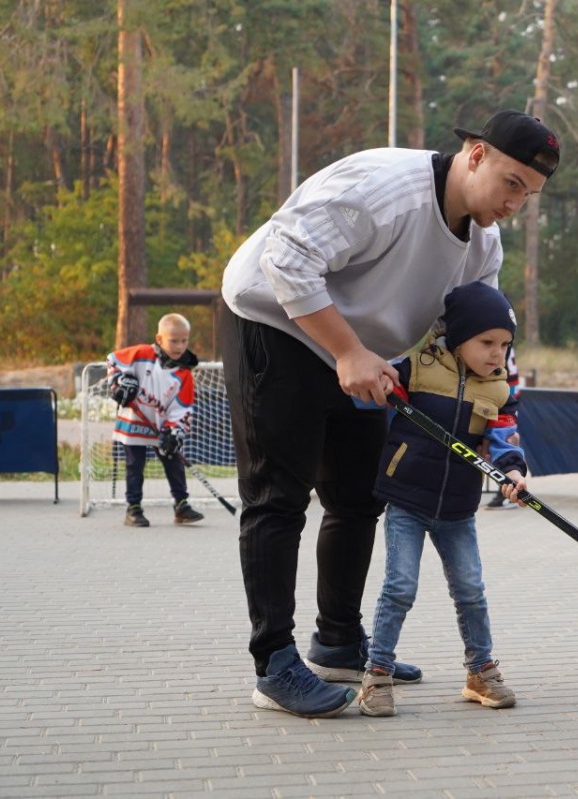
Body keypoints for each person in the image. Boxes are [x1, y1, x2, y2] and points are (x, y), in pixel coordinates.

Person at [219, 109, 560, 718]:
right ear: (476, 155)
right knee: (278, 496)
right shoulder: (385, 189)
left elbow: (463, 337)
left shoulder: (483, 242)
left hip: (370, 354)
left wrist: (485, 423)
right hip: (276, 325)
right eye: (512, 183)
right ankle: (274, 662)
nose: (516, 204)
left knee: (358, 497)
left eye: (529, 195)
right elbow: (286, 255)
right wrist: (346, 350)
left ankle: (340, 642)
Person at [358, 282, 527, 717]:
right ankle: (376, 675)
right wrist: (370, 381)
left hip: (457, 507)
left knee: (471, 590)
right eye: (487, 342)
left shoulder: (497, 390)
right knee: (399, 588)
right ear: (458, 335)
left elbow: (504, 441)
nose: (496, 353)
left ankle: (480, 672)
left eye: (505, 345)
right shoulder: (416, 367)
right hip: (407, 501)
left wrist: (513, 473)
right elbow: (365, 396)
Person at [106, 313, 205, 528]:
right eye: (174, 340)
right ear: (159, 339)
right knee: (134, 466)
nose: (180, 346)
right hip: (134, 423)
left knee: (174, 464)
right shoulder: (141, 354)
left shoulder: (184, 373)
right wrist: (120, 382)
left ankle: (182, 505)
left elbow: (182, 406)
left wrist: (174, 431)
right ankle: (133, 507)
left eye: (184, 340)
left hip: (161, 427)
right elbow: (113, 360)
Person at [485, 341, 521, 510]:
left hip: (505, 390)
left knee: (507, 439)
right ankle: (506, 485)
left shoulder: (499, 338)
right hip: (507, 387)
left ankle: (506, 488)